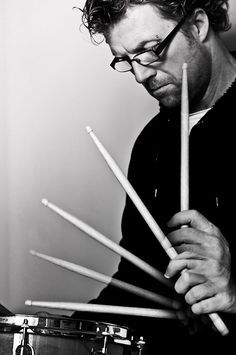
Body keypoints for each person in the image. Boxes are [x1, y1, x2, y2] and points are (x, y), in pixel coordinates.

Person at [73, 0, 236, 351]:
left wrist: (234, 290)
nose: (140, 74)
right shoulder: (151, 145)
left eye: (150, 50)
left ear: (198, 24)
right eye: (126, 59)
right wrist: (63, 336)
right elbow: (137, 282)